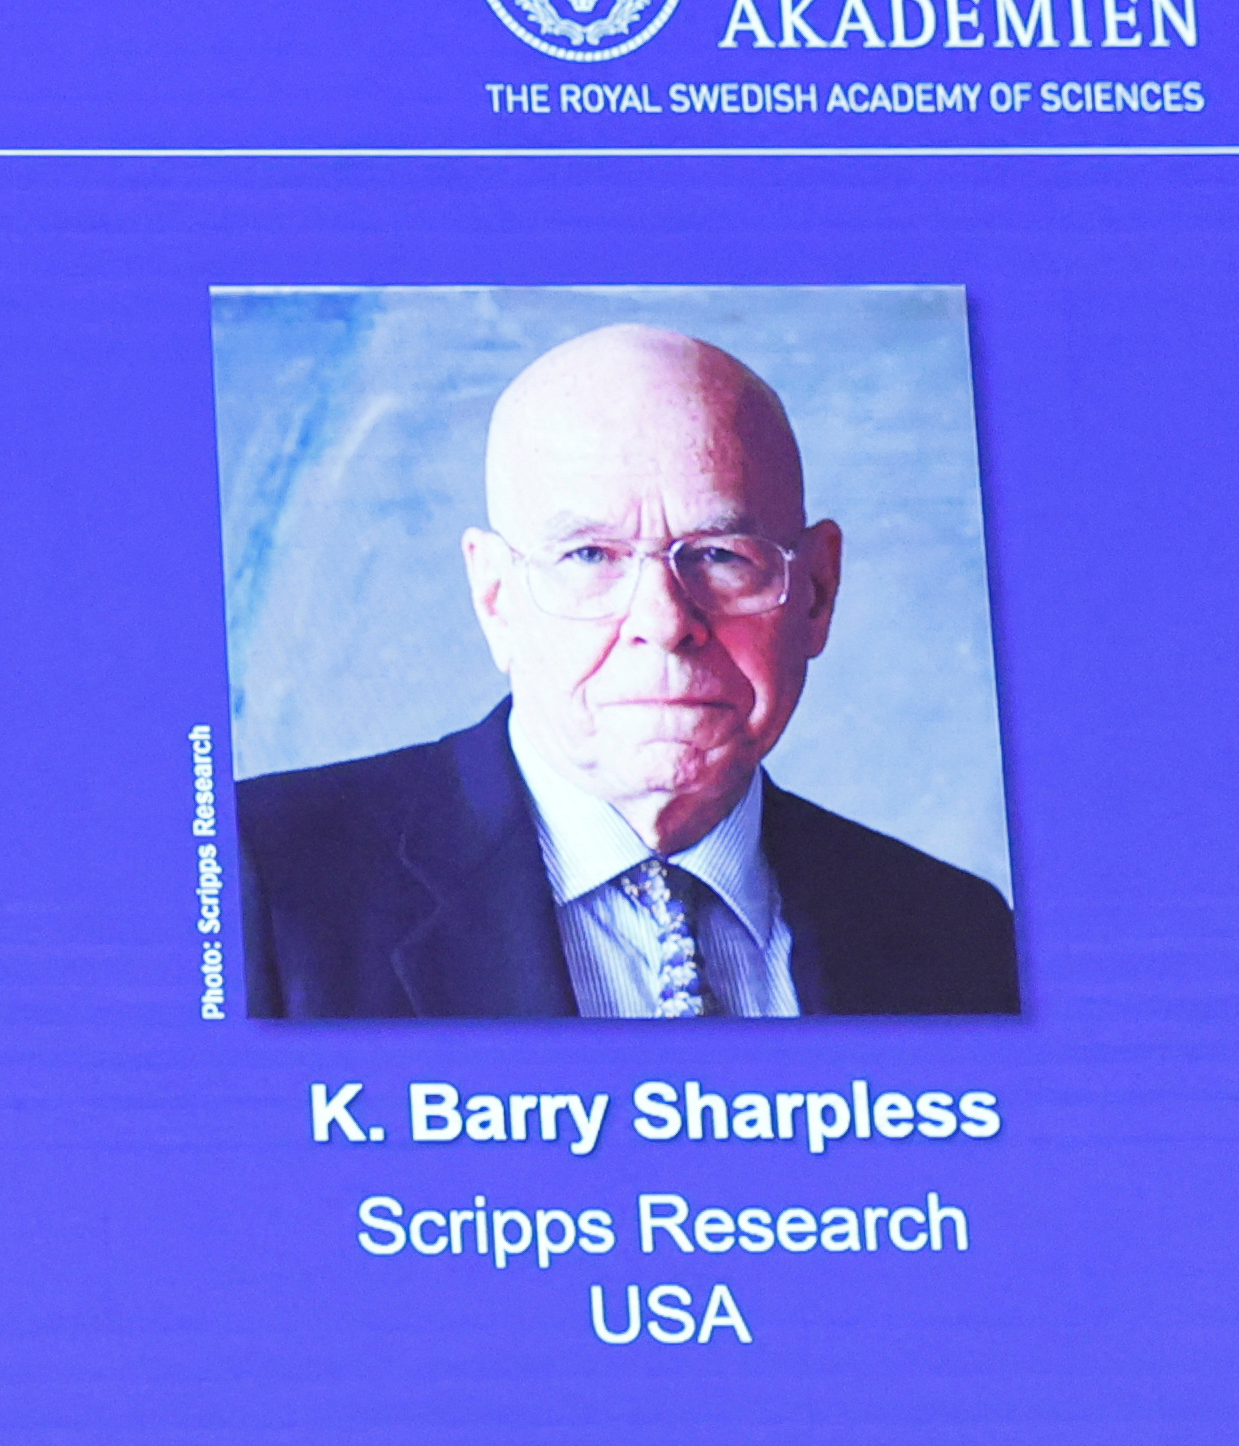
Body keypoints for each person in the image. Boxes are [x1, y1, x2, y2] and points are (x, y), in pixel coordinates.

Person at [237, 323, 1018, 1019]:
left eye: (720, 555)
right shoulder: (258, 891)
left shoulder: (962, 938)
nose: (665, 622)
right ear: (495, 597)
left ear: (815, 592)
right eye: (589, 556)